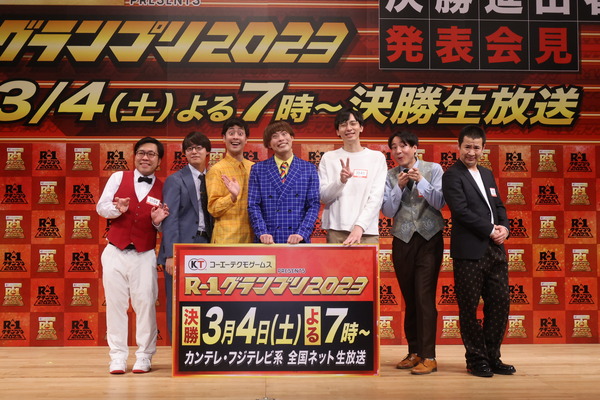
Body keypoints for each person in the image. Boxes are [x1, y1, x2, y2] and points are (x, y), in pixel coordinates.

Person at [442, 125, 515, 378]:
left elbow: (499, 205)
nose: (471, 152)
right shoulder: (452, 175)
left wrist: (504, 228)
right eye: (467, 147)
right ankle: (475, 359)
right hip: (469, 252)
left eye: (476, 147)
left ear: (483, 149)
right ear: (459, 147)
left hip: (495, 250)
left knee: (500, 304)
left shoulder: (487, 174)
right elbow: (461, 211)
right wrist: (490, 229)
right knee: (469, 308)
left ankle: (493, 357)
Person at [96, 137, 169, 375]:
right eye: (141, 153)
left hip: (144, 254)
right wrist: (117, 209)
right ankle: (117, 357)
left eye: (151, 154)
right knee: (115, 305)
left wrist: (157, 223)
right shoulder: (118, 177)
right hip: (114, 251)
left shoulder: (164, 187)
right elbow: (101, 207)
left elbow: (163, 224)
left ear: (159, 160)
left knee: (145, 304)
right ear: (135, 155)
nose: (145, 158)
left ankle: (144, 356)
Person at [381, 131, 445, 375]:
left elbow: (440, 202)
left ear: (415, 148)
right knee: (410, 297)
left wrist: (423, 182)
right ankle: (414, 351)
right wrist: (398, 187)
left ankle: (429, 356)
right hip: (402, 240)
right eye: (394, 147)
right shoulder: (390, 176)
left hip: (429, 240)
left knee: (424, 296)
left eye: (404, 146)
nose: (399, 151)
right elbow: (388, 211)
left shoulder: (434, 169)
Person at [157, 131, 213, 341]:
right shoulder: (175, 179)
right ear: (184, 154)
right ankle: (177, 349)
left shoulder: (214, 178)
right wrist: (171, 254)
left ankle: (201, 344)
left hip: (208, 244)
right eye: (189, 148)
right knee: (177, 299)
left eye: (198, 147)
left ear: (207, 152)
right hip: (182, 246)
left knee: (205, 297)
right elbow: (169, 218)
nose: (194, 152)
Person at [318, 107, 387, 245]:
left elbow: (376, 197)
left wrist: (359, 226)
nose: (349, 128)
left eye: (353, 123)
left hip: (366, 231)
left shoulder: (376, 157)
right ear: (338, 131)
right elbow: (323, 197)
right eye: (343, 125)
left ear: (361, 127)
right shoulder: (328, 158)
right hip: (336, 230)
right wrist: (341, 181)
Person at [248, 121, 320, 244]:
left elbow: (313, 205)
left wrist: (301, 233)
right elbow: (253, 205)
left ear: (292, 137)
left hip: (297, 239)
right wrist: (262, 232)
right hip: (268, 240)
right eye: (275, 136)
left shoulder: (309, 169)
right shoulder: (258, 169)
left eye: (284, 134)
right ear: (269, 144)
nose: (281, 139)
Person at [206, 117, 254, 243]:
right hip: (226, 239)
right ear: (224, 138)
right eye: (231, 133)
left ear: (246, 139)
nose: (235, 137)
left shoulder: (254, 168)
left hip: (251, 239)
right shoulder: (217, 170)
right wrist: (232, 197)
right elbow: (213, 209)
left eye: (240, 133)